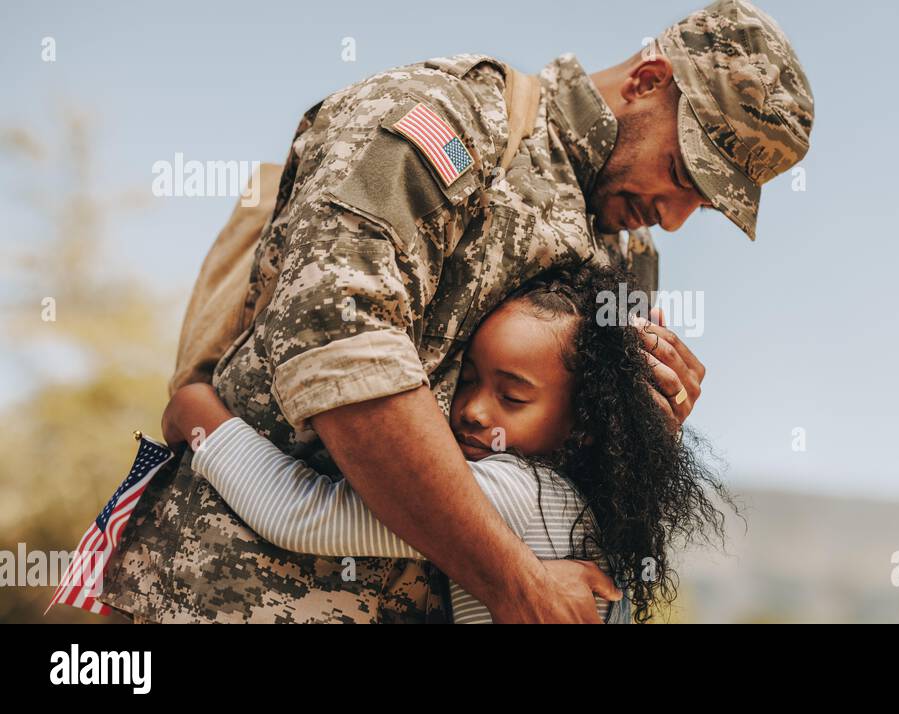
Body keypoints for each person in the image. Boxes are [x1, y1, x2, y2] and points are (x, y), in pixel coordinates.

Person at [99, 0, 813, 623]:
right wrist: (514, 583)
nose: (678, 217)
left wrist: (644, 426)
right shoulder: (450, 121)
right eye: (684, 174)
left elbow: (564, 484)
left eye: (705, 202)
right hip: (247, 597)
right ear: (648, 81)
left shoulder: (625, 258)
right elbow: (345, 357)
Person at [162, 265, 735, 624]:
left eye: (512, 397)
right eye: (467, 380)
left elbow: (301, 514)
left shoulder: (515, 491)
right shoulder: (590, 501)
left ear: (581, 424)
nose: (473, 410)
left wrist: (198, 416)